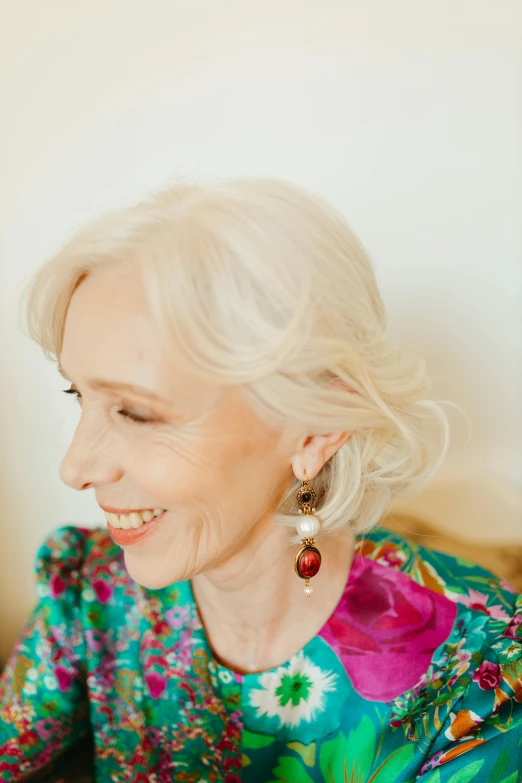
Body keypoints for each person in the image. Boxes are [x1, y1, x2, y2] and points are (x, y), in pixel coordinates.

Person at [0, 178, 520, 783]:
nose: (75, 467)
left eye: (136, 411)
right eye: (78, 394)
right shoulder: (91, 596)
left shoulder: (477, 687)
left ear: (313, 430)